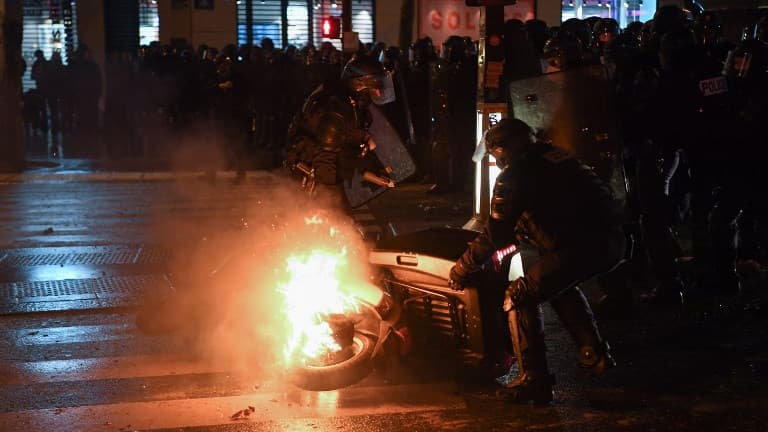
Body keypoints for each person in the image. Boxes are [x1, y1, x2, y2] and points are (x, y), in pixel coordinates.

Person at [448, 119, 625, 404]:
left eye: (495, 154)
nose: (495, 160)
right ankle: (594, 356)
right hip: (611, 241)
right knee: (556, 285)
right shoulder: (557, 156)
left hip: (577, 248)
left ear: (504, 150)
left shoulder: (513, 176)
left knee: (520, 295)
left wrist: (462, 267)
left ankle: (535, 380)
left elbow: (496, 233)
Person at [284, 54, 395, 205]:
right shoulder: (336, 109)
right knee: (335, 223)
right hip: (312, 174)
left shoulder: (352, 104)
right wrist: (328, 203)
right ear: (361, 84)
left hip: (328, 170)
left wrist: (375, 168)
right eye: (375, 87)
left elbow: (349, 145)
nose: (378, 92)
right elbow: (325, 158)